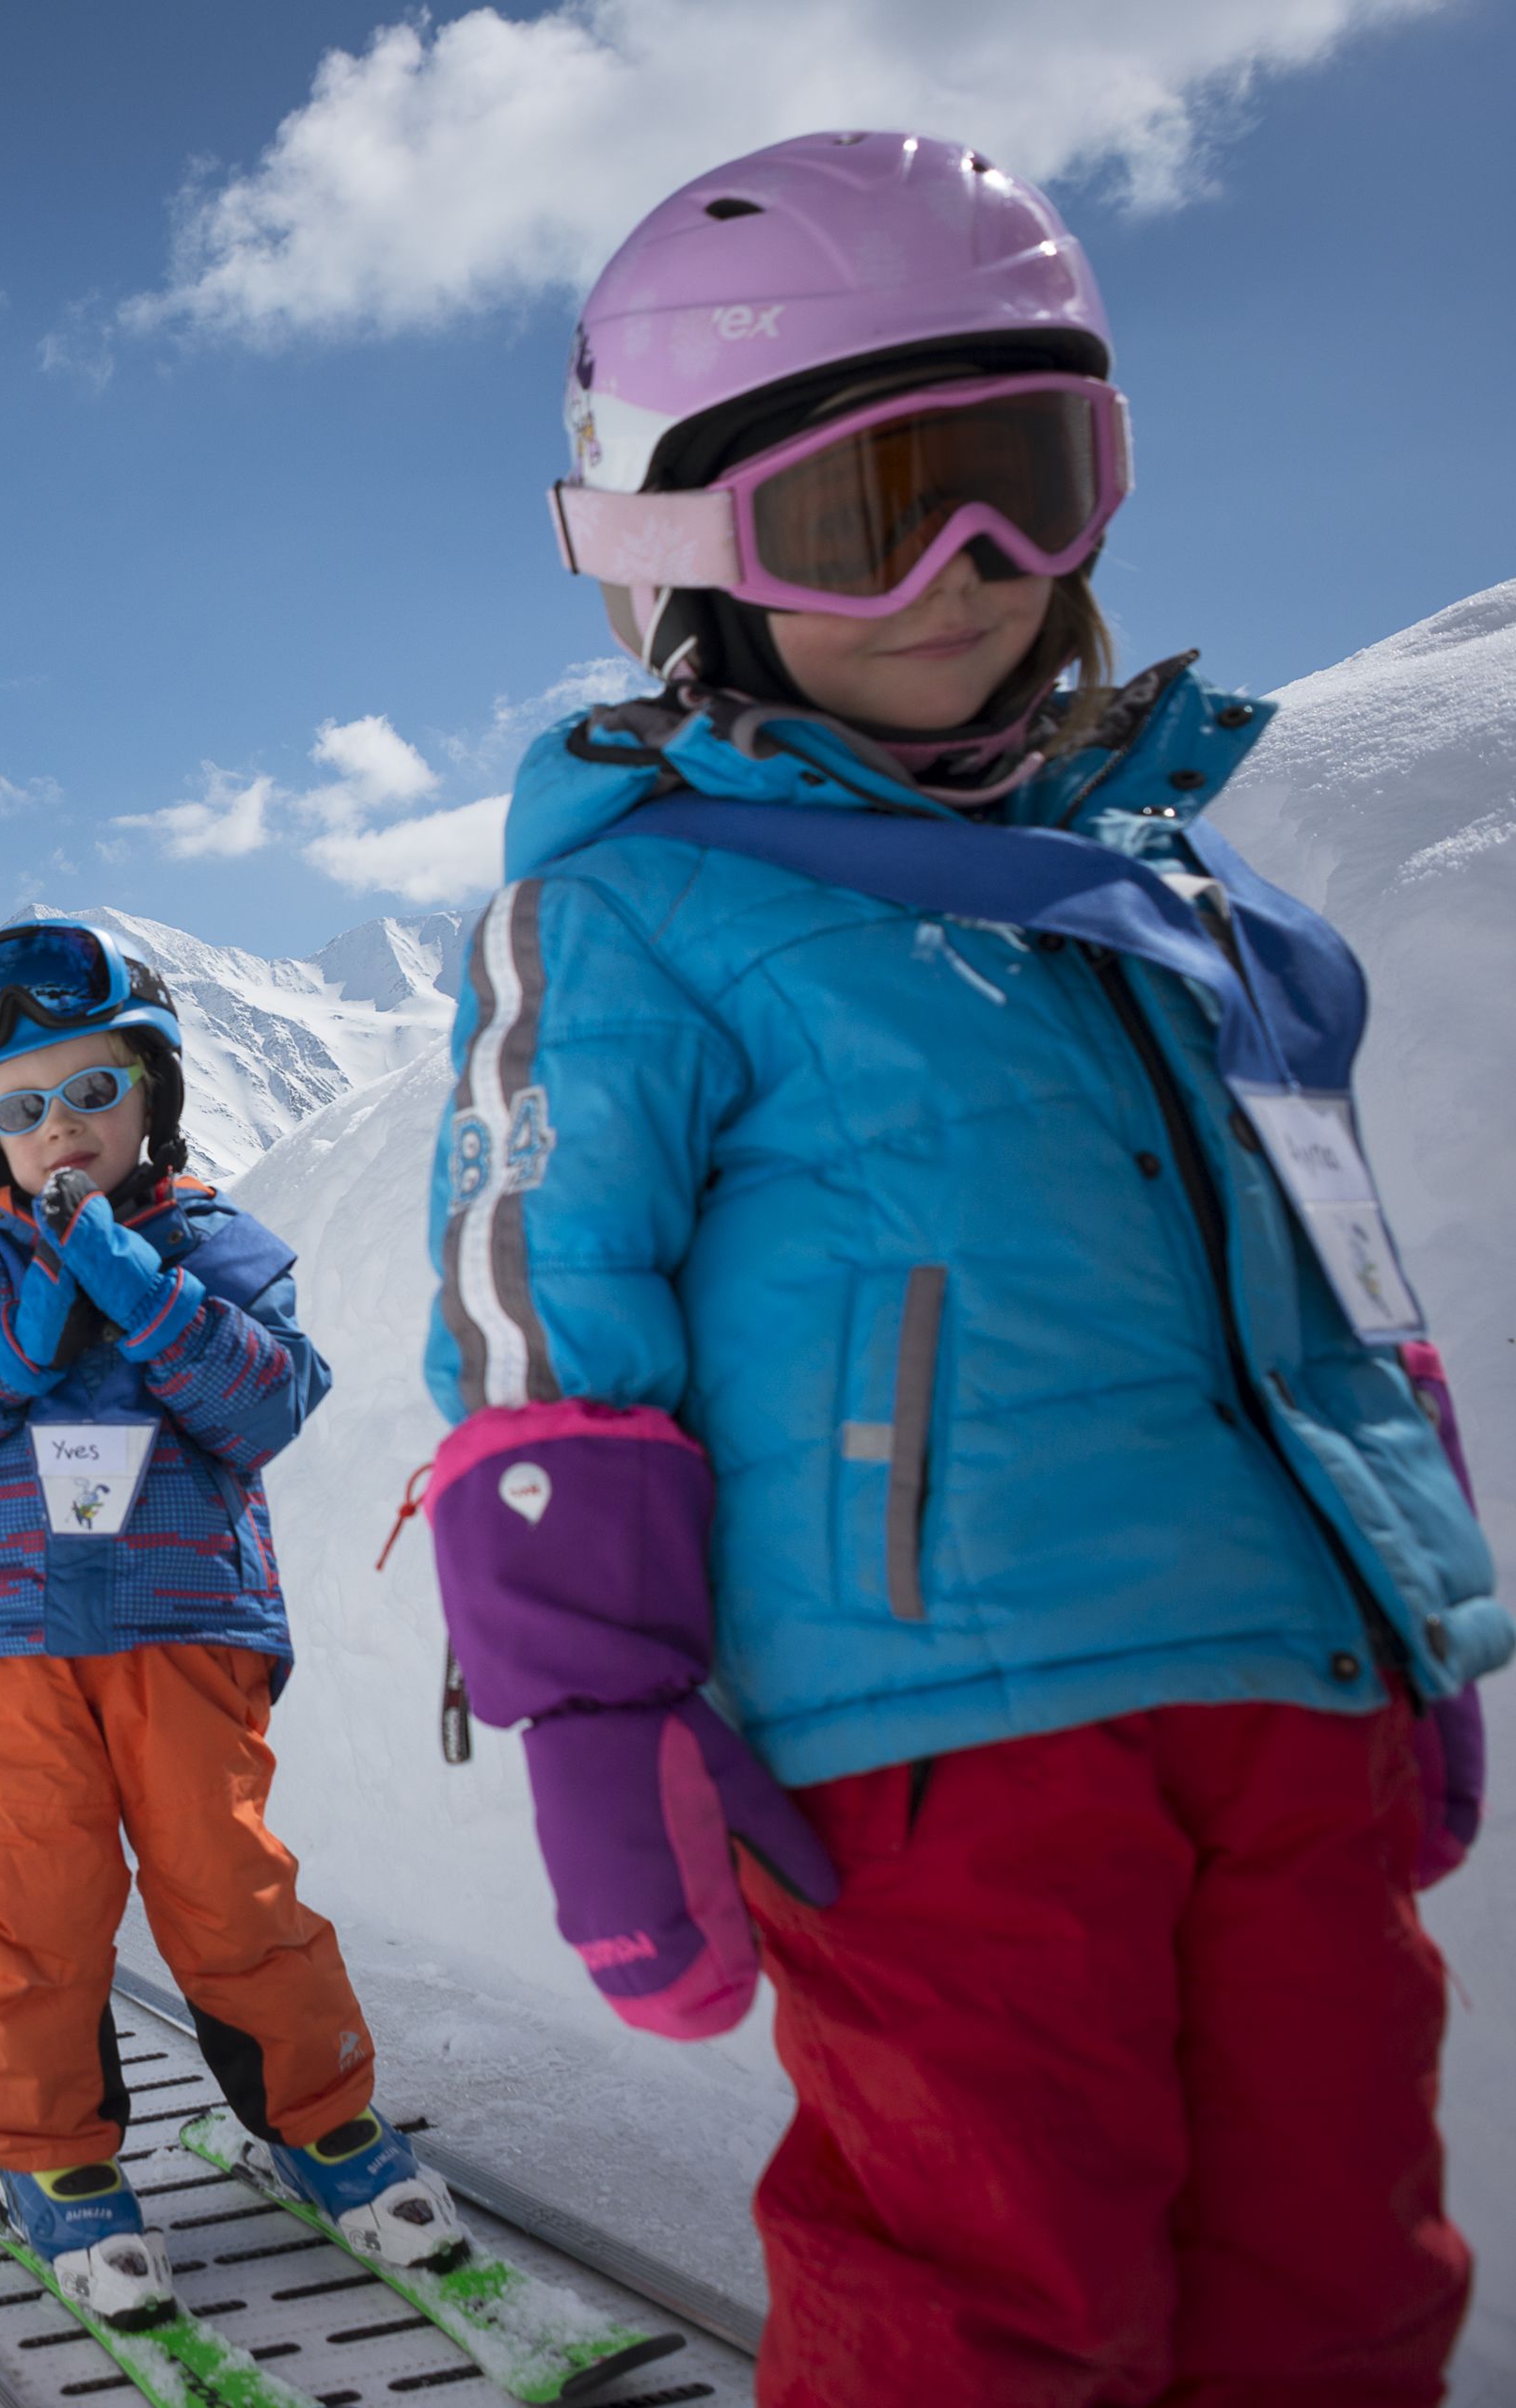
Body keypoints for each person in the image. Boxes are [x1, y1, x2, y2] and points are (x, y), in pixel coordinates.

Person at [427, 130, 1500, 2404]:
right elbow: (544, 1325)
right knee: (992, 2299)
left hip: (1286, 1697)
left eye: (1021, 478)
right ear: (680, 555)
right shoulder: (630, 912)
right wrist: (594, 1720)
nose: (963, 569)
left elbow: (1334, 1293)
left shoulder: (1188, 906)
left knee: (1344, 2272)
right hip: (935, 1751)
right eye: (858, 510)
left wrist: (1418, 1624)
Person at [0, 921, 462, 2333]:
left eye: (90, 1092)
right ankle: (55, 2158)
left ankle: (318, 2122)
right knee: (35, 1910)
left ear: (158, 1094)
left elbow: (264, 1404)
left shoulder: (218, 1244)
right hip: (12, 1645)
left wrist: (131, 1286)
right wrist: (27, 1328)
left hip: (190, 1631)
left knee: (230, 1888)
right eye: (17, 1109)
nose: (58, 1129)